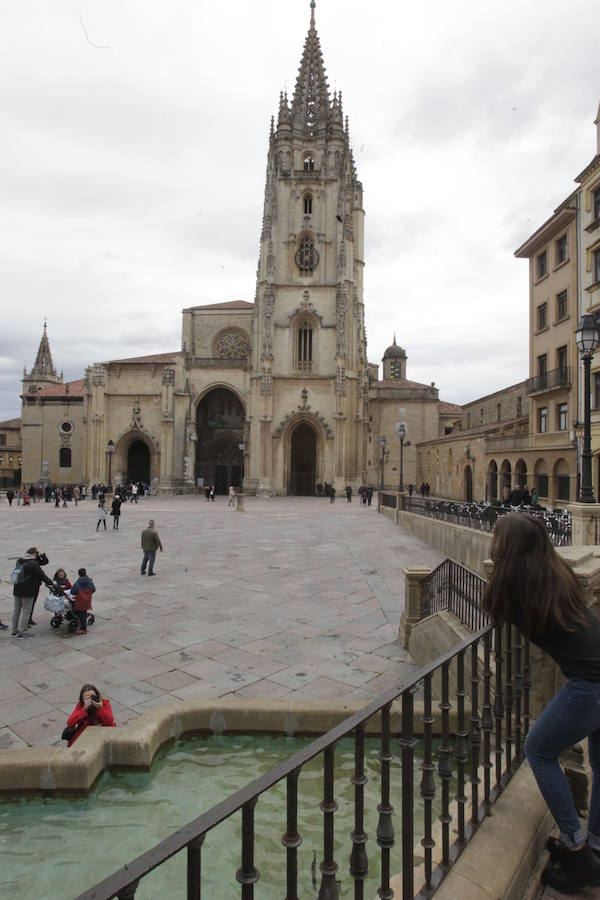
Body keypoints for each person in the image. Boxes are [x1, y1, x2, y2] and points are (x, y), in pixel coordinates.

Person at [483, 513, 600, 894]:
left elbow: (491, 605)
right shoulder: (554, 572)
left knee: (538, 748)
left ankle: (578, 850)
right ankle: (594, 846)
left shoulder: (515, 584)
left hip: (590, 684)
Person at [12, 548, 55, 638]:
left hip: (17, 588)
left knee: (17, 609)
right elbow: (43, 576)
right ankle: (22, 632)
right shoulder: (33, 564)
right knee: (26, 610)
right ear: (35, 554)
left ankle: (14, 630)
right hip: (28, 590)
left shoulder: (19, 560)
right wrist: (52, 583)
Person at [70, 567, 95, 635]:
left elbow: (72, 591)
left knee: (81, 613)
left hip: (80, 601)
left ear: (79, 574)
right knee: (83, 611)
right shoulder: (90, 581)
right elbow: (93, 589)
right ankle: (85, 619)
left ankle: (83, 629)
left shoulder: (77, 583)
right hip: (87, 600)